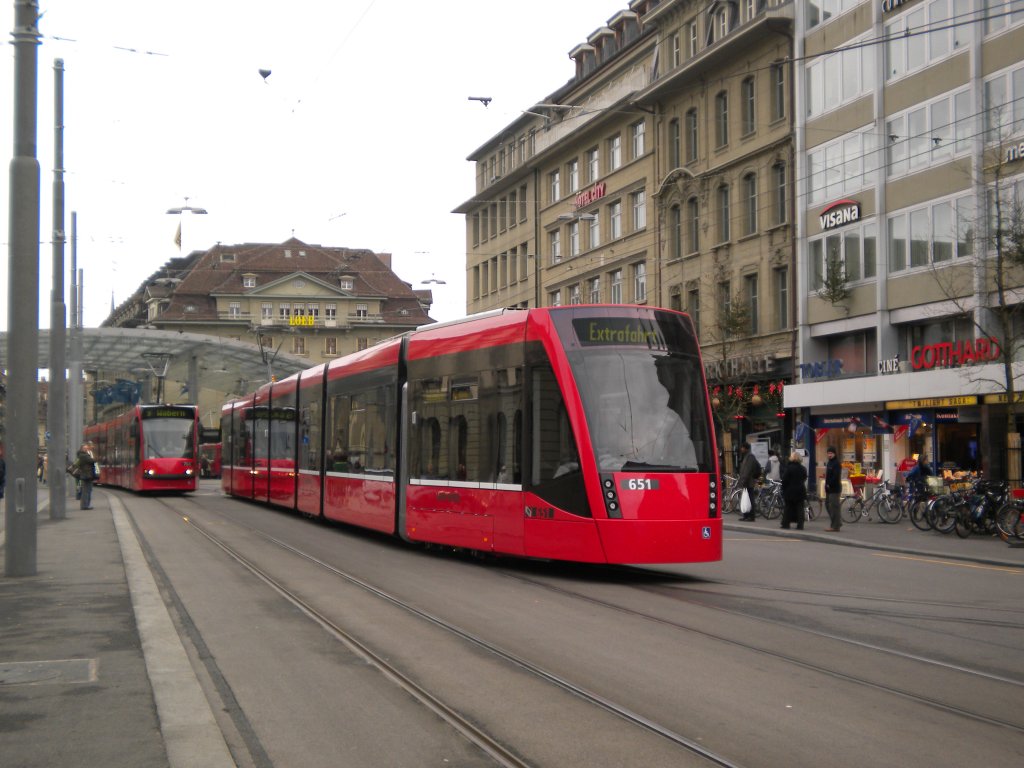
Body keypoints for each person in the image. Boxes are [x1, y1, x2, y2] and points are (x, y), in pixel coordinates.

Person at [780, 452, 808, 530]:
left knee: (788, 507)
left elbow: (785, 480)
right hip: (800, 490)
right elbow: (804, 478)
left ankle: (786, 523)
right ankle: (800, 525)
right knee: (800, 508)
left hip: (790, 490)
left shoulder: (789, 468)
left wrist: (783, 488)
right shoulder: (803, 468)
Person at [736, 441, 761, 521]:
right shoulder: (746, 456)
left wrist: (744, 480)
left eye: (742, 447)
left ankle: (751, 516)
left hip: (748, 482)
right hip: (746, 481)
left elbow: (747, 470)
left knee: (750, 499)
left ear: (745, 448)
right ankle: (746, 515)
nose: (741, 449)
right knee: (745, 499)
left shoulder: (750, 457)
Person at [71, 443, 97, 510]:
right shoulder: (83, 456)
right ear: (82, 449)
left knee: (88, 490)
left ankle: (86, 505)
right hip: (86, 475)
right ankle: (84, 506)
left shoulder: (83, 455)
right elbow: (93, 460)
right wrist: (92, 455)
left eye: (87, 448)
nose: (86, 449)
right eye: (85, 448)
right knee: (86, 491)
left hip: (87, 475)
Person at [824, 446, 842, 531]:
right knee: (827, 505)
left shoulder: (836, 463)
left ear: (834, 454)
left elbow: (835, 476)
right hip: (829, 489)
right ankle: (837, 522)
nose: (829, 455)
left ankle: (835, 526)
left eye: (831, 453)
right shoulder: (829, 463)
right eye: (828, 453)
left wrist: (829, 484)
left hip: (834, 488)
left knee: (833, 507)